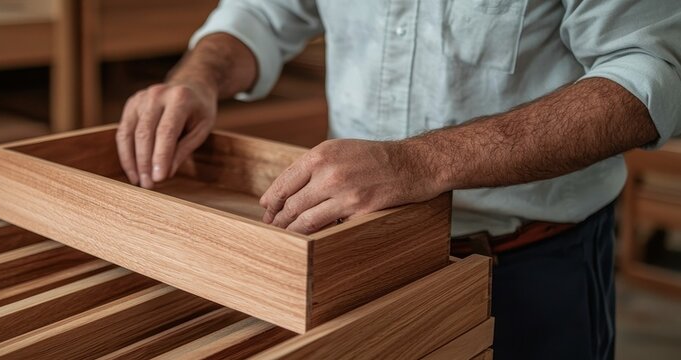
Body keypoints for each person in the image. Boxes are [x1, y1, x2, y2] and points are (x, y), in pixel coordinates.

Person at [114, 1, 681, 359]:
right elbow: (263, 13)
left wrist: (416, 163)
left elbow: (647, 77)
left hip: (530, 268)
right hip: (359, 256)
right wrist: (200, 74)